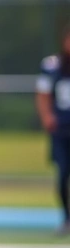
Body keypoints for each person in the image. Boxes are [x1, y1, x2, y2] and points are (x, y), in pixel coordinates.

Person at [35, 23, 70, 236]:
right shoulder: (52, 65)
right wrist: (47, 116)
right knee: (63, 173)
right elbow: (43, 93)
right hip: (62, 128)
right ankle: (66, 218)